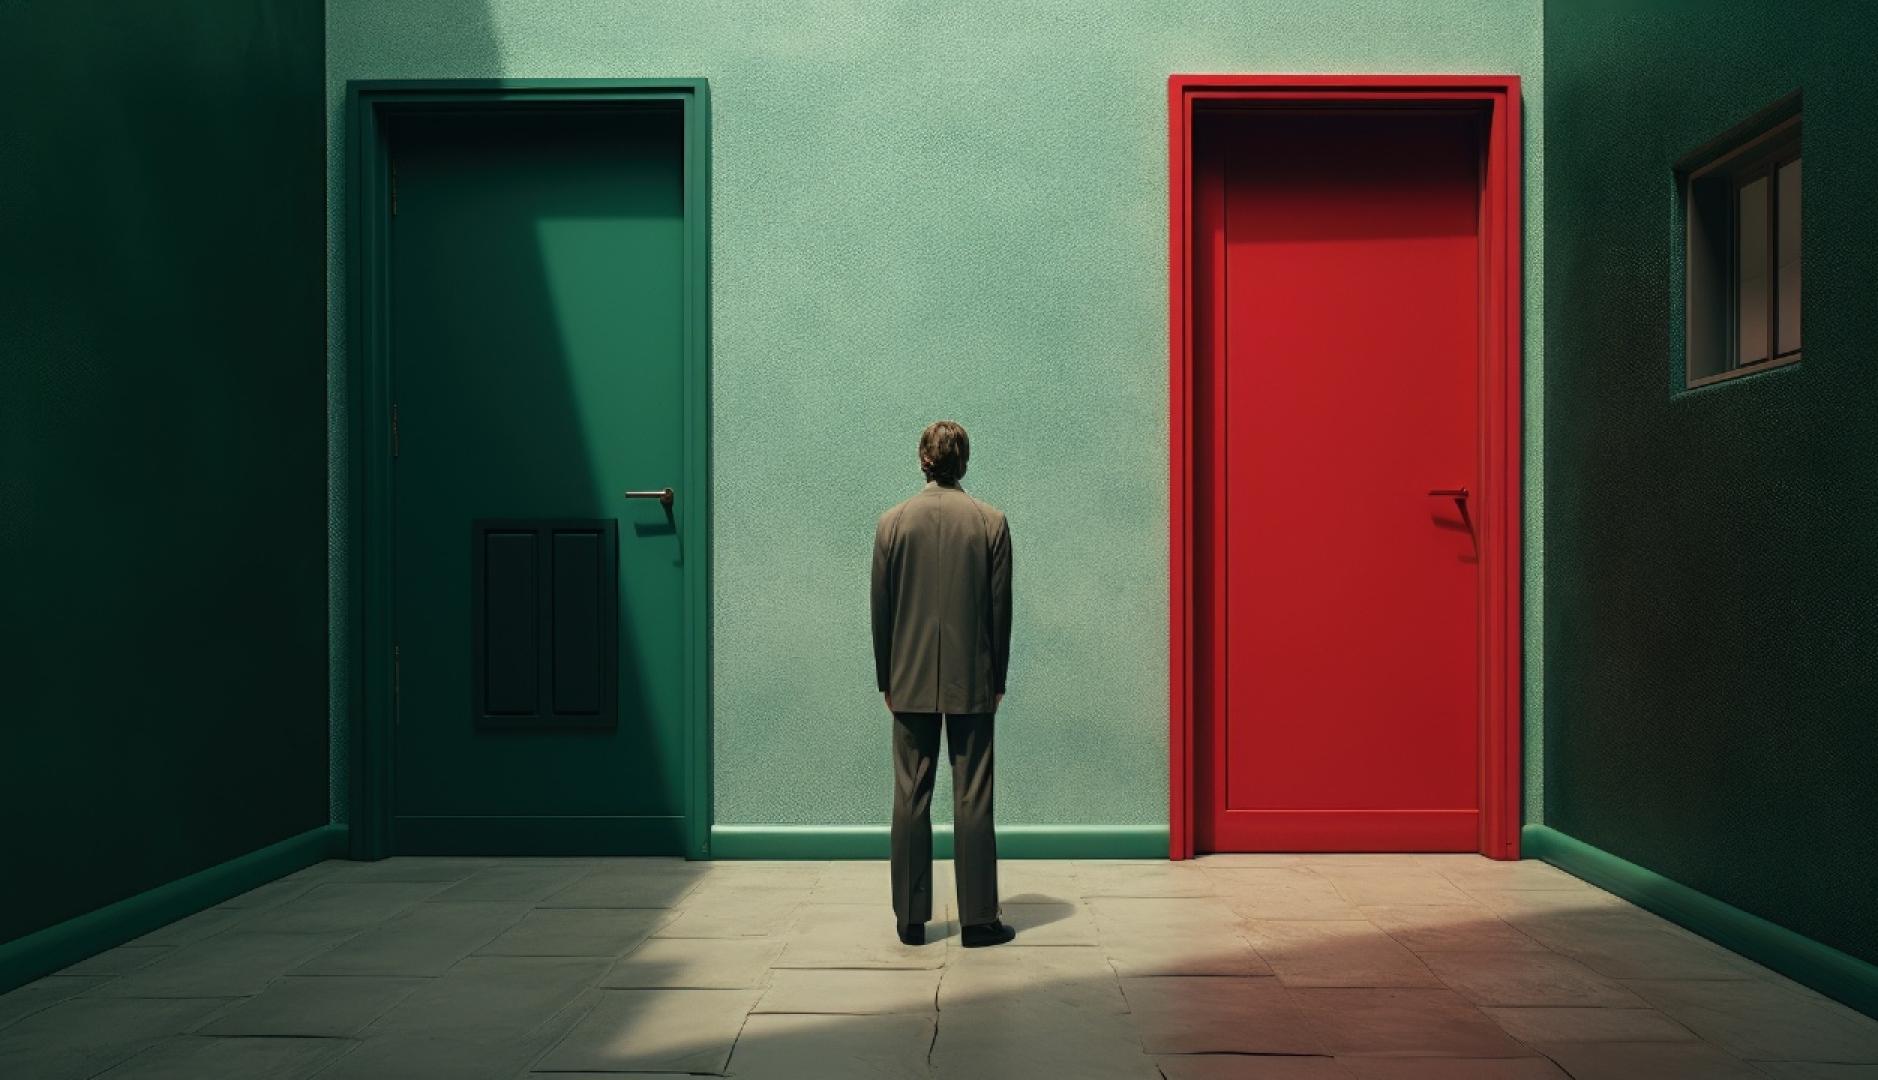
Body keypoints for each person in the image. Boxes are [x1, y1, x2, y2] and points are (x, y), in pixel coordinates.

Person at [871, 420, 1016, 948]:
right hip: (972, 676)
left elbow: (880, 612)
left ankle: (911, 920)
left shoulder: (892, 523)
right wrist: (996, 677)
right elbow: (1000, 611)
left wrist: (887, 677)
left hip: (907, 676)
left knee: (910, 795)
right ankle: (978, 920)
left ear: (922, 461)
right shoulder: (990, 523)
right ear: (965, 462)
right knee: (972, 795)